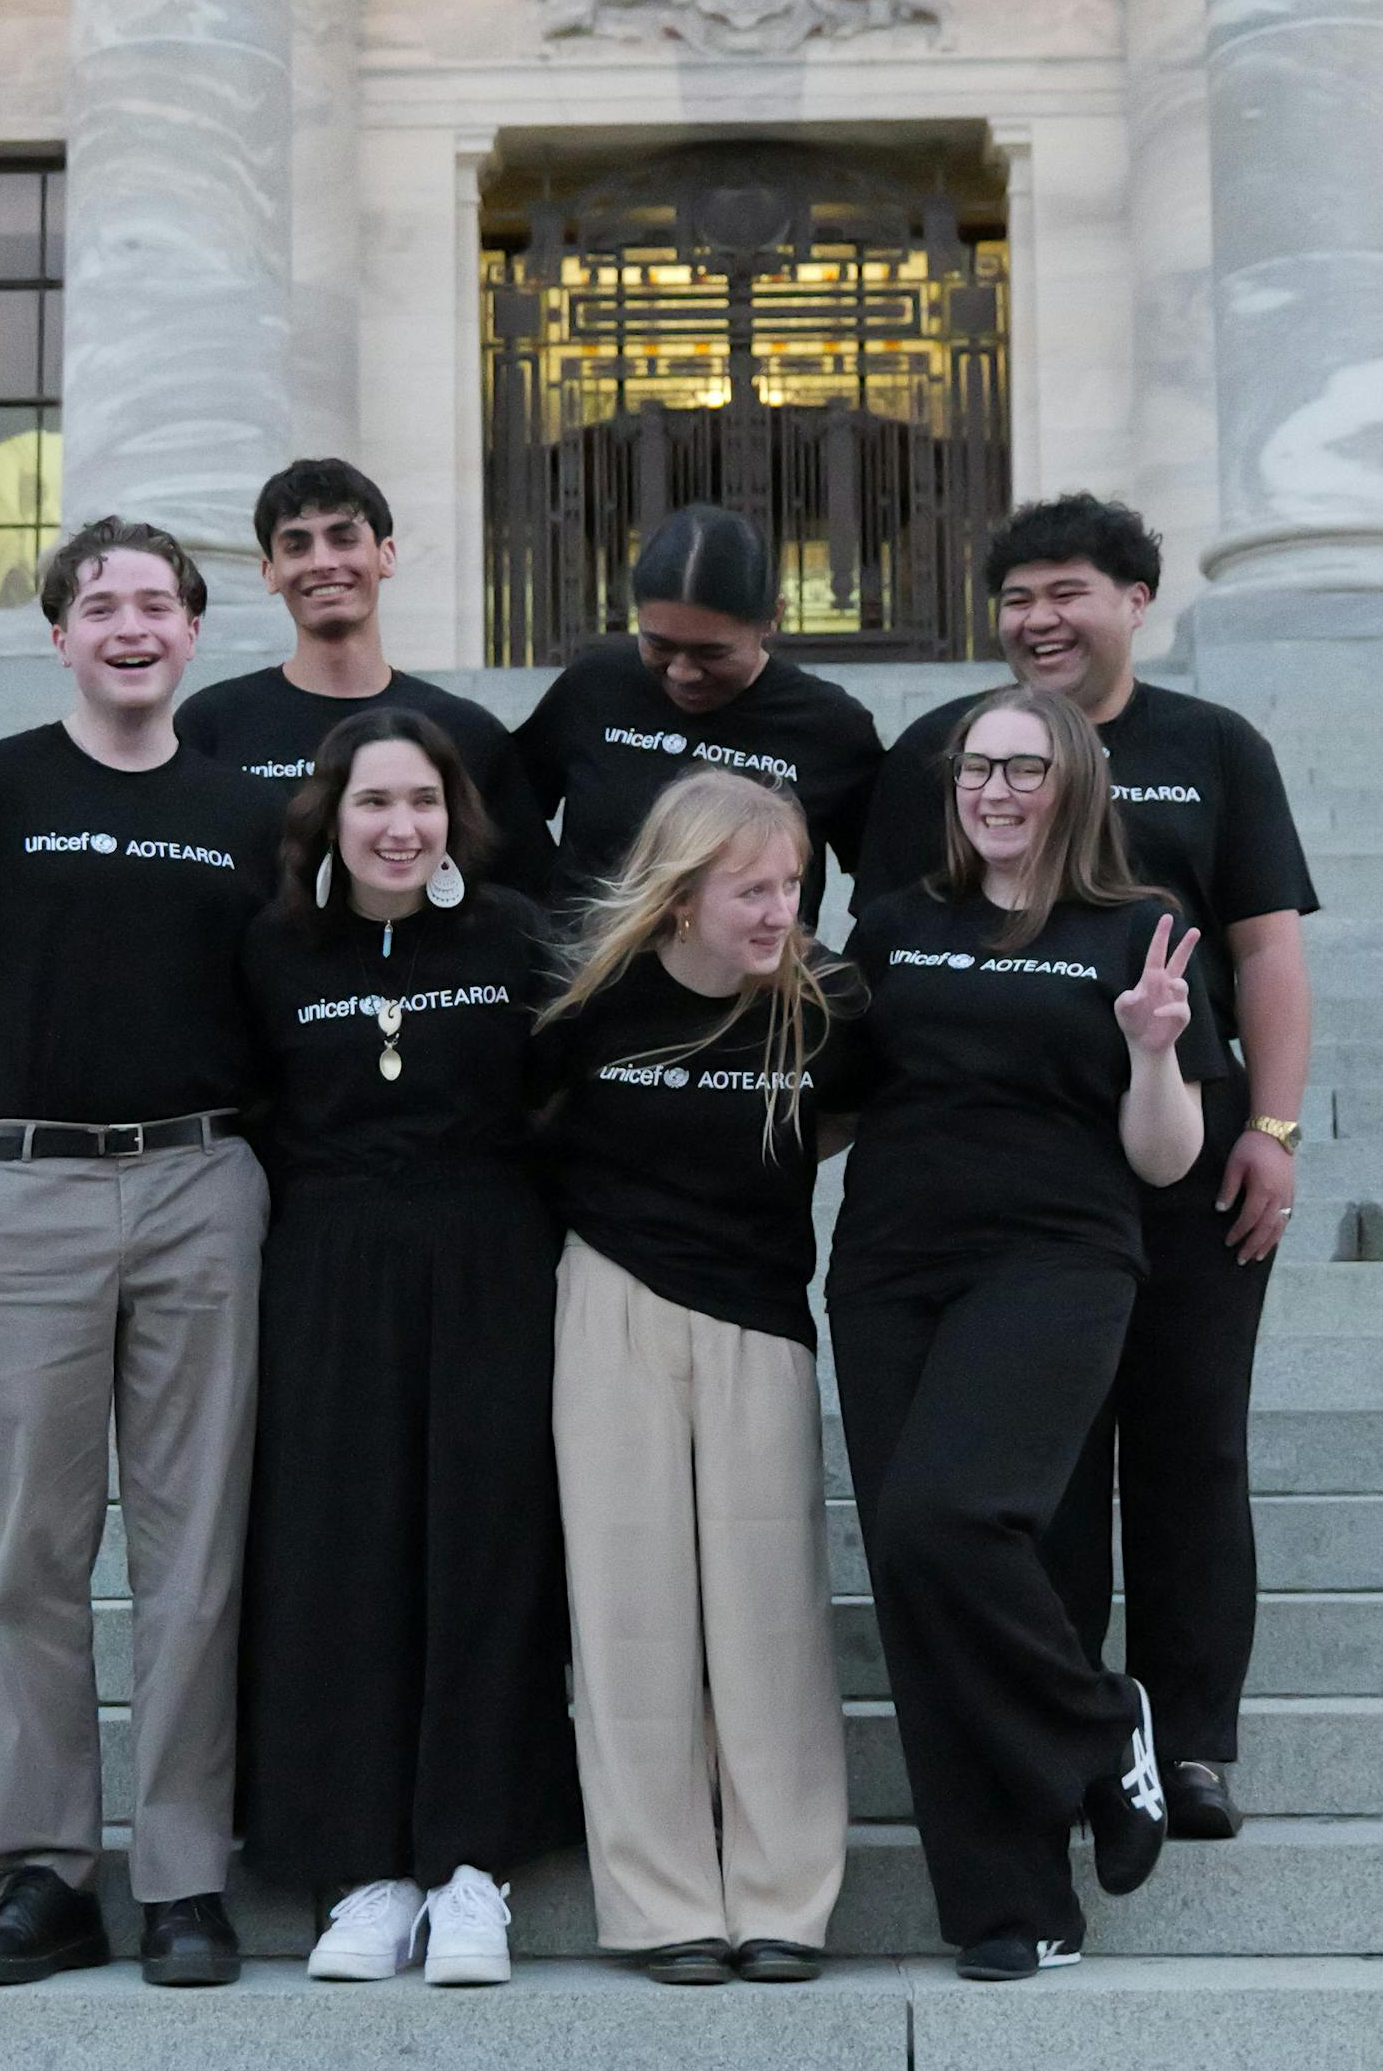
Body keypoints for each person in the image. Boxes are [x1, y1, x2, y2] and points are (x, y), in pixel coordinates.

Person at [857, 494, 1318, 1840]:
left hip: (1182, 1138)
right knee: (1027, 1464)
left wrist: (1273, 1131)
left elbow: (1269, 954)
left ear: (1134, 600)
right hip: (1013, 1155)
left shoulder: (1210, 748)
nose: (1039, 621)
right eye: (1016, 599)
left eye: (1068, 592)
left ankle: (1188, 1741)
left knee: (1186, 1442)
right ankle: (1051, 1726)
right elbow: (893, 940)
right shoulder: (946, 754)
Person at [0, 519, 276, 1990]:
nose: (129, 624)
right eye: (98, 603)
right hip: (32, 1191)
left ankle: (184, 1878)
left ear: (192, 632)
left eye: (156, 604)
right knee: (31, 1556)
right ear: (58, 634)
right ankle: (40, 1877)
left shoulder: (243, 809)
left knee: (194, 1557)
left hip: (197, 1183)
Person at [828, 683, 1220, 1982]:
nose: (996, 792)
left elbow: (1166, 1163)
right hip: (890, 1268)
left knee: (952, 1520)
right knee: (913, 1568)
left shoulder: (1140, 934)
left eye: (1025, 770)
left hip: (1055, 1262)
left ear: (1077, 788)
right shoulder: (891, 928)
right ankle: (1008, 1904)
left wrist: (1154, 1052)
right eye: (976, 770)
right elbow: (830, 1111)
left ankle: (1107, 1730)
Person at [236, 710, 580, 1987]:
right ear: (330, 817)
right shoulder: (273, 949)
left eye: (424, 802)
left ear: (456, 817)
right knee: (342, 1555)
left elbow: (570, 1092)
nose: (401, 826)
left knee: (486, 1551)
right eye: (375, 803)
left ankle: (474, 1869)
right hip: (326, 1274)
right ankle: (363, 1872)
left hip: (489, 1263)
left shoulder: (513, 936)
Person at [530, 770, 865, 1988]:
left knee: (770, 1610)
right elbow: (531, 1126)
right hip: (611, 1297)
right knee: (630, 1607)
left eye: (792, 886)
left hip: (761, 1316)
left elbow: (845, 1124)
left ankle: (785, 1897)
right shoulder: (591, 1005)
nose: (781, 911)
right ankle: (662, 1901)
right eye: (752, 891)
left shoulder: (828, 1008)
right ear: (681, 899)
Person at [179, 457, 552, 893]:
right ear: (269, 572)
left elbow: (530, 902)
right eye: (296, 546)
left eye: (344, 540)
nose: (322, 562)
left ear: (386, 555)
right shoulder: (211, 724)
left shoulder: (465, 731)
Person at [512, 504, 883, 923]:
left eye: (713, 653)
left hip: (750, 985)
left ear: (772, 619)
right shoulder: (593, 688)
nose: (682, 672)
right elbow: (505, 819)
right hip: (585, 979)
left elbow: (886, 883)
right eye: (659, 646)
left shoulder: (831, 728)